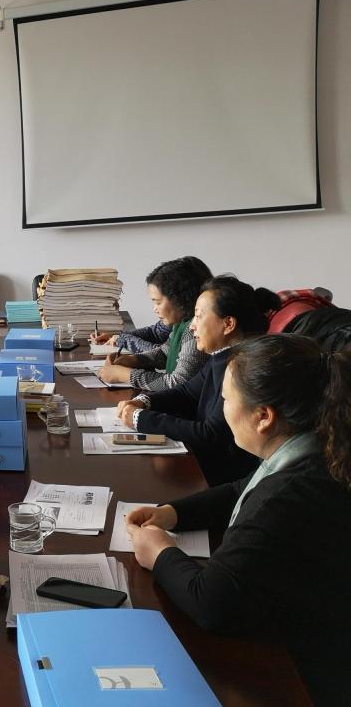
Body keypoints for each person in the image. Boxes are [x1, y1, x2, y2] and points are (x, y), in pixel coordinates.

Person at [125, 335, 351, 706]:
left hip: (304, 670)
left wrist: (160, 552)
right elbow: (238, 489)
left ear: (264, 416)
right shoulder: (313, 448)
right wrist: (172, 513)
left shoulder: (287, 496)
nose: (222, 408)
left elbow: (211, 602)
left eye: (227, 399)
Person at [116, 275, 268, 485]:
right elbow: (187, 392)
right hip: (203, 463)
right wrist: (144, 401)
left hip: (222, 478)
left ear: (228, 324)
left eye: (198, 317)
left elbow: (211, 434)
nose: (191, 326)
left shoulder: (243, 366)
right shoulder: (221, 355)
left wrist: (140, 419)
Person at [97, 256, 212, 391]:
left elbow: (177, 382)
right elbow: (164, 353)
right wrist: (133, 360)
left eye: (158, 302)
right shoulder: (180, 324)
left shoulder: (194, 331)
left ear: (180, 299)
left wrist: (123, 375)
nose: (154, 309)